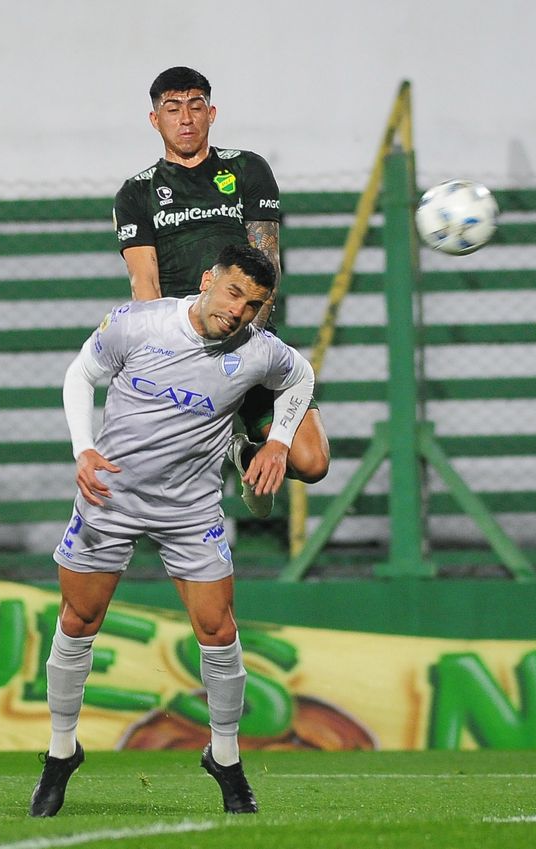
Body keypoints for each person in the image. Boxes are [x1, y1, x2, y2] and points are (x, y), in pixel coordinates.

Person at [29, 245, 315, 817]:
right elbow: (81, 374)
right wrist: (83, 450)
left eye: (253, 304)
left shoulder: (259, 353)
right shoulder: (141, 325)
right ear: (209, 281)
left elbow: (301, 375)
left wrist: (281, 438)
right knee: (78, 620)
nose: (238, 312)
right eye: (233, 293)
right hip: (110, 493)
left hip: (190, 507)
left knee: (218, 628)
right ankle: (61, 752)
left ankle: (227, 759)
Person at [112, 66, 329, 517]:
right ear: (156, 120)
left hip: (249, 339)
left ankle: (240, 450)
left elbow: (266, 263)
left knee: (312, 461)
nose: (185, 118)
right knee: (157, 482)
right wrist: (168, 359)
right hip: (184, 349)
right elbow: (144, 285)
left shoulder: (247, 169)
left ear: (211, 113)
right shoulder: (136, 193)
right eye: (172, 109)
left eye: (195, 106)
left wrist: (244, 348)